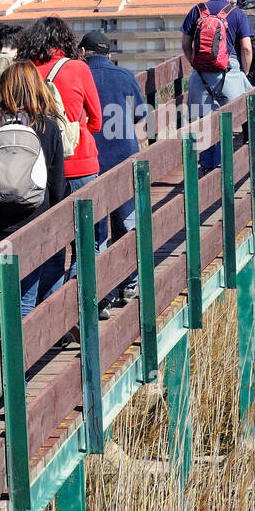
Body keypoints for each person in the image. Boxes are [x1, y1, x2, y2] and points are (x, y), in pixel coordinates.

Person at [0, 61, 66, 316]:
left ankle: (1, 347)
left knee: (1, 296)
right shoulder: (47, 127)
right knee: (26, 298)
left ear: (3, 88)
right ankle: (21, 353)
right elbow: (57, 185)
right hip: (35, 223)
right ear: (37, 88)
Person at [20, 18, 102, 293]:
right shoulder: (78, 67)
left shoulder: (25, 71)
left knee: (52, 245)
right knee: (85, 240)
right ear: (65, 40)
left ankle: (54, 313)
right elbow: (97, 121)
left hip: (38, 168)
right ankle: (78, 303)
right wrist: (76, 131)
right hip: (81, 164)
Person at [79, 30, 149, 315]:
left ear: (83, 52)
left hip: (89, 162)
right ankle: (129, 282)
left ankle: (101, 296)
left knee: (96, 233)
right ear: (108, 54)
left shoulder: (78, 77)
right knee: (126, 223)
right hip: (123, 158)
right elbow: (143, 116)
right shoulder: (124, 76)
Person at [181, 0, 254, 171]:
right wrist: (244, 72)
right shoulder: (237, 13)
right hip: (229, 72)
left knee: (206, 122)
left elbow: (186, 44)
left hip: (201, 75)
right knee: (246, 116)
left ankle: (207, 166)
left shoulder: (197, 10)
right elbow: (246, 48)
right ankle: (232, 165)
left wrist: (195, 64)